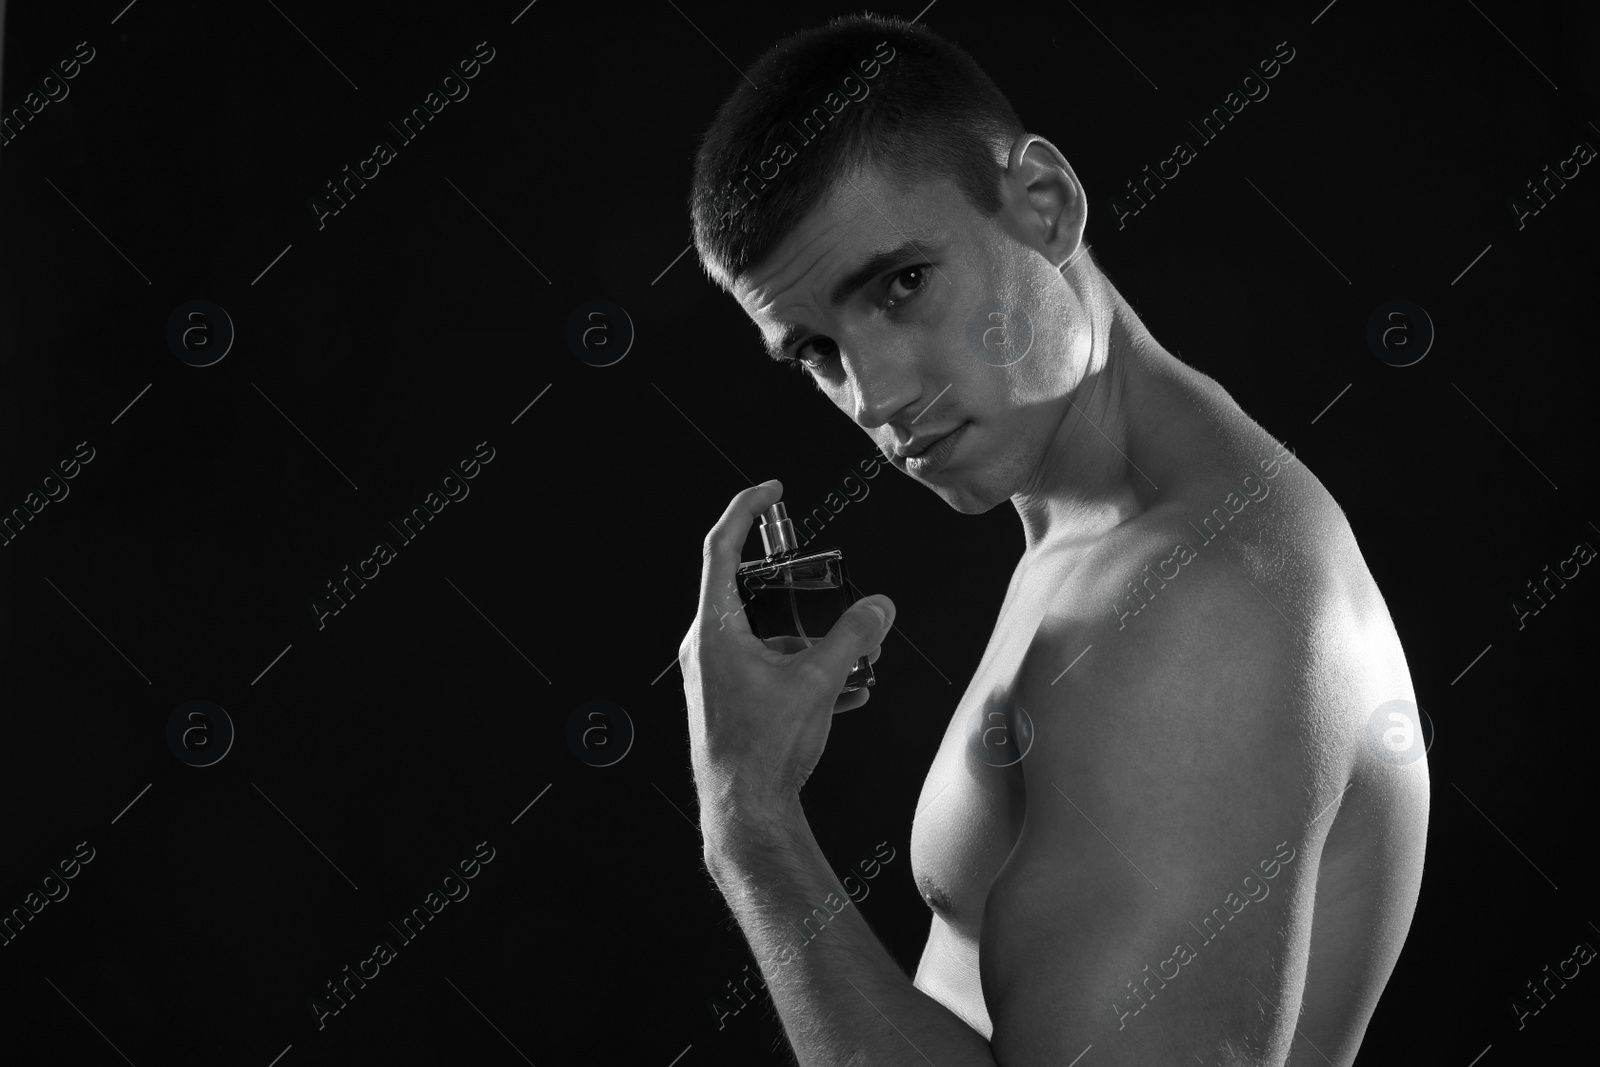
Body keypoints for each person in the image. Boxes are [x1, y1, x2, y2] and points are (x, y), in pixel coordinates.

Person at [678, 14, 1427, 1066]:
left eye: (901, 283)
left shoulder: (1197, 606)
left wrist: (748, 822)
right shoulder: (1098, 524)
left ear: (1046, 205)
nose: (876, 395)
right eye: (815, 350)